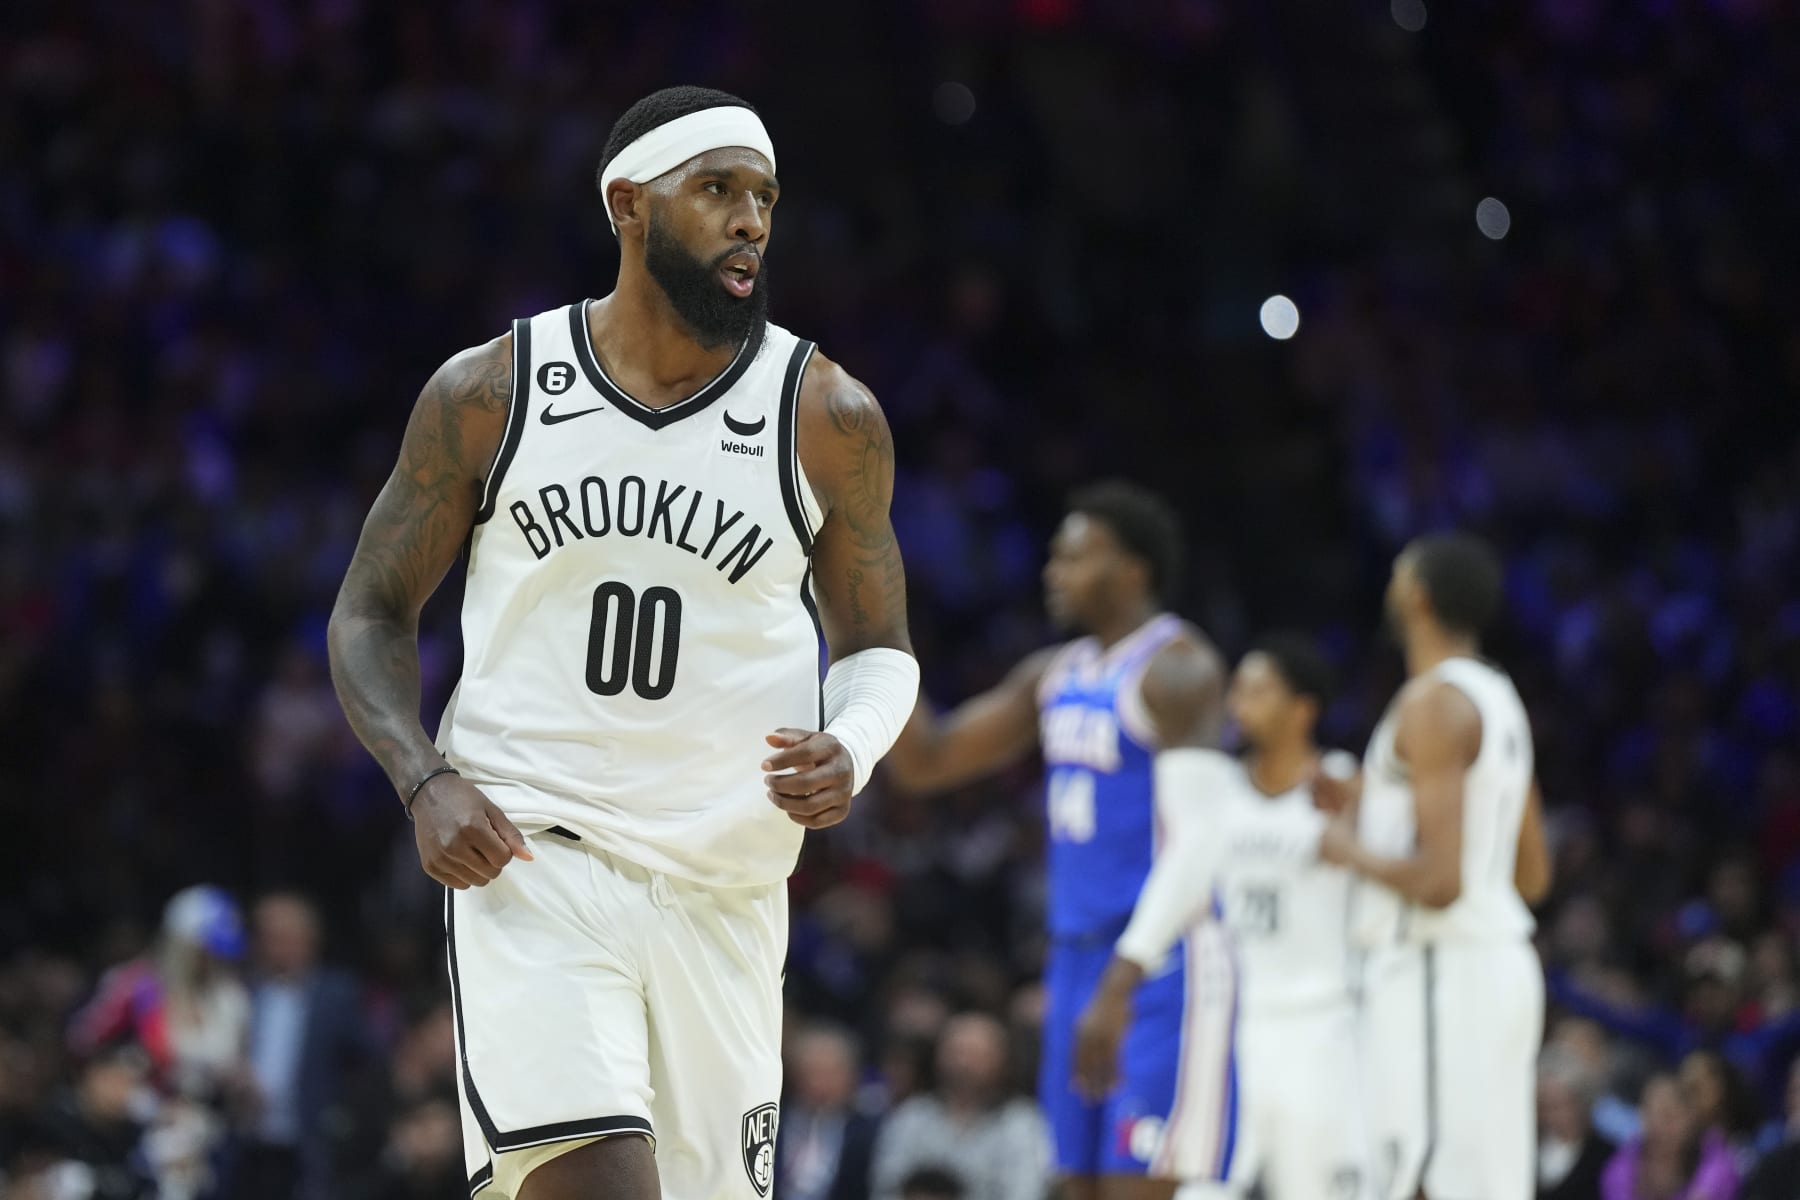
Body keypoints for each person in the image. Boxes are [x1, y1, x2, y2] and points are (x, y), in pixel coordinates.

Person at [326, 86, 919, 1200]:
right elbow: (369, 611)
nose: (752, 220)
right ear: (629, 203)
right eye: (719, 190)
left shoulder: (827, 416)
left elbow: (881, 642)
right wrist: (423, 779)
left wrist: (858, 740)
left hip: (725, 891)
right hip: (537, 859)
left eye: (766, 198)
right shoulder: (494, 391)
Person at [884, 483, 1229, 1200]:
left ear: (1134, 571)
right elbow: (927, 762)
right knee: (1072, 1186)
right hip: (1074, 959)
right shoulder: (1055, 675)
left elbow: (1205, 839)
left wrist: (1121, 983)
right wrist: (875, 630)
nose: (1054, 571)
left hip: (1158, 965)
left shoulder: (1179, 668)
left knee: (1141, 1186)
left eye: (1074, 556)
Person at [1076, 636, 1370, 1197]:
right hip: (1226, 1025)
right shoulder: (1217, 793)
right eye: (1236, 690)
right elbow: (1173, 883)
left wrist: (1362, 812)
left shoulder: (1344, 783)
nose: (1238, 704)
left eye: (1258, 691)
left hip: (1322, 1027)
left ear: (1303, 708)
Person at [1315, 533, 1552, 1200]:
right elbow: (1531, 874)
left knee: (1423, 1181)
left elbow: (1440, 883)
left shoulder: (1431, 704)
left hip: (1439, 968)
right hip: (1497, 962)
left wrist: (1347, 850)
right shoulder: (1500, 700)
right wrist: (1372, 800)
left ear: (1416, 596)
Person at [230, 893, 371, 1200]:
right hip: (248, 1141)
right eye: (269, 938)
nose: (276, 948)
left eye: (285, 938)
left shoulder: (337, 994)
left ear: (310, 940)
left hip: (312, 1143)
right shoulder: (242, 991)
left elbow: (365, 1063)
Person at [868, 1013, 1051, 1200]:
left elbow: (1024, 1194)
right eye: (955, 1052)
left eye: (976, 1054)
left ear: (1003, 1061)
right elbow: (886, 1188)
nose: (963, 1063)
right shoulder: (911, 1115)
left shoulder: (1022, 1122)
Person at [778, 1023, 880, 1200]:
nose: (820, 1084)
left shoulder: (869, 1132)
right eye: (812, 1073)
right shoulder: (772, 1122)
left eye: (832, 1073)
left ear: (852, 1076)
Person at [1600, 1074, 1737, 1200]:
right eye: (1652, 1116)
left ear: (1691, 1117)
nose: (1660, 1126)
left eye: (1669, 1116)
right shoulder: (1622, 1165)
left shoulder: (1715, 1161)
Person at [1537, 1046, 1616, 1200]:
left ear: (1580, 1102)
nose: (1552, 1115)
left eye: (1559, 1104)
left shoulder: (1604, 1155)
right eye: (1545, 1105)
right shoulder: (1530, 1146)